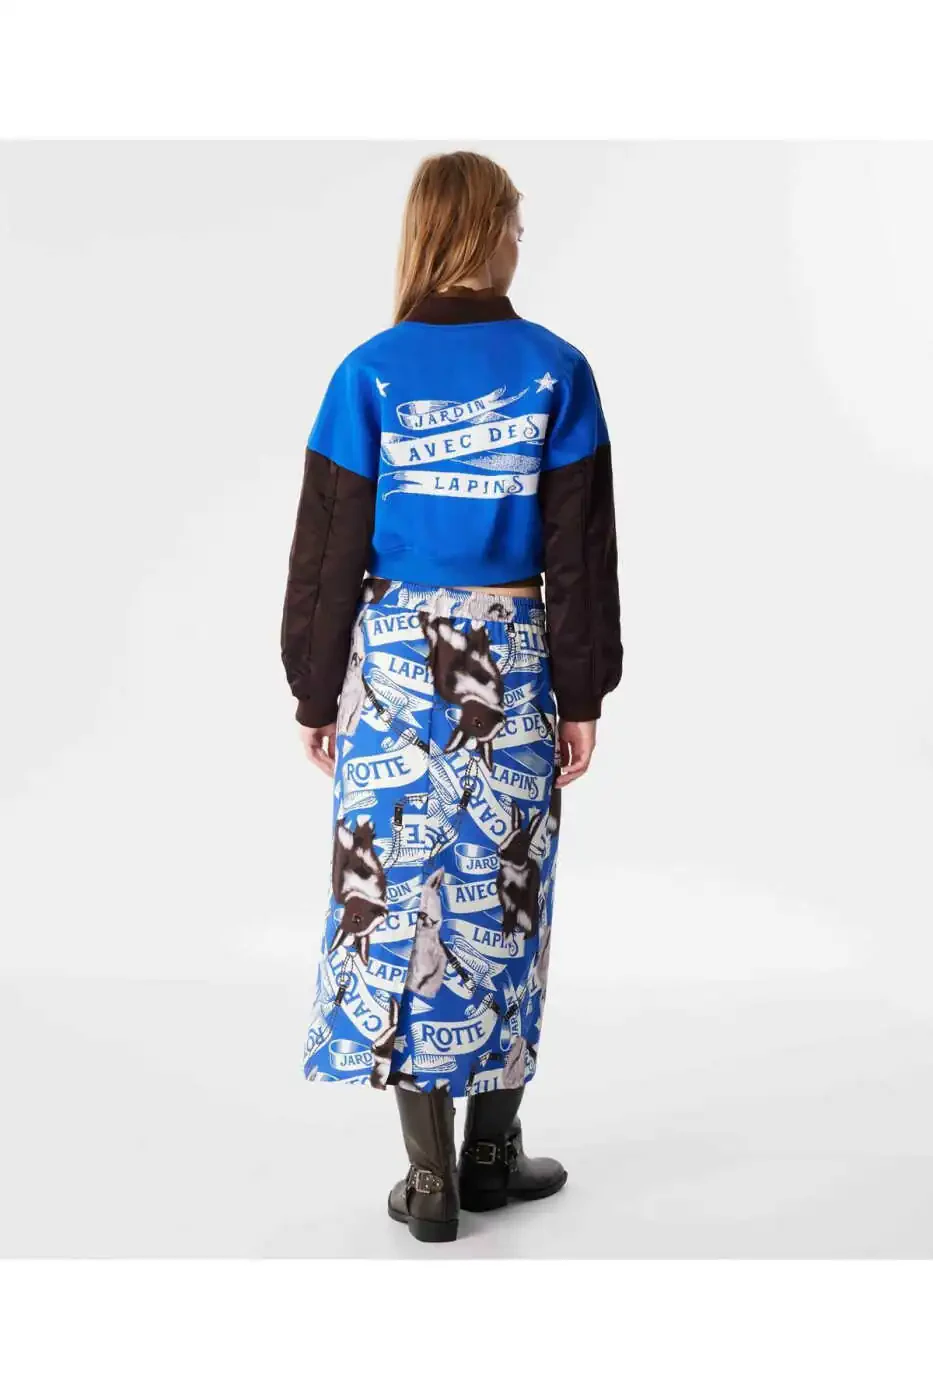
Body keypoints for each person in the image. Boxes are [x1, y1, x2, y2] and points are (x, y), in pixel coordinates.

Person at [280, 150, 623, 1243]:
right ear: (484, 231)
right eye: (514, 223)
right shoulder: (556, 368)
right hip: (513, 662)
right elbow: (577, 554)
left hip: (390, 665)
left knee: (394, 900)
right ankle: (488, 1155)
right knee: (503, 895)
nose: (522, 240)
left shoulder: (367, 372)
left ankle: (429, 1181)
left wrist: (315, 692)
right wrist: (582, 692)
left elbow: (326, 551)